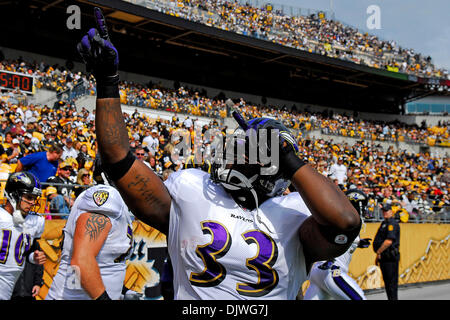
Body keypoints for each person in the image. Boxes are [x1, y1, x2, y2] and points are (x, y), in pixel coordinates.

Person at [77, 10, 360, 300]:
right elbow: (118, 159)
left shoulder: (294, 214)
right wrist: (107, 81)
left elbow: (346, 223)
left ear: (272, 166)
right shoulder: (192, 188)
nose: (233, 152)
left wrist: (288, 157)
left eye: (247, 148)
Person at [45, 162, 134, 300]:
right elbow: (82, 261)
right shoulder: (106, 196)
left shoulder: (115, 202)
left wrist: (122, 290)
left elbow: (104, 263)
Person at [303, 189, 371, 300]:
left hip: (318, 271)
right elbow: (335, 238)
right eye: (362, 206)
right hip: (332, 270)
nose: (364, 209)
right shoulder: (346, 221)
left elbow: (339, 238)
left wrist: (358, 242)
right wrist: (330, 258)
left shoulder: (342, 219)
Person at [0, 172, 47, 300]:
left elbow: (27, 253)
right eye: (29, 197)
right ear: (14, 194)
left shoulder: (35, 222)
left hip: (9, 287)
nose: (32, 203)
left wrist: (34, 257)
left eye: (34, 198)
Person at [373, 203, 400, 300]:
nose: (384, 213)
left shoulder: (391, 223)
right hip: (385, 257)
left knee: (391, 283)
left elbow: (389, 241)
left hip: (390, 257)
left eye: (387, 211)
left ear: (391, 212)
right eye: (383, 211)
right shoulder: (384, 223)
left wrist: (379, 252)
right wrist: (378, 255)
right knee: (388, 283)